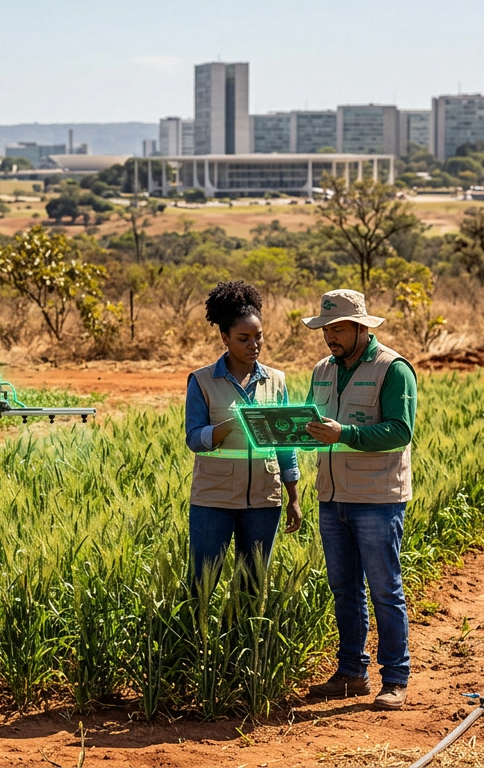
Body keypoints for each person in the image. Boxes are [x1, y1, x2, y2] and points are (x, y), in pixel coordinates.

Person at [301, 289, 417, 711]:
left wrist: (345, 434)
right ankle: (351, 672)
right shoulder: (323, 369)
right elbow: (316, 424)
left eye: (336, 329)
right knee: (344, 588)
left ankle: (395, 678)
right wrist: (291, 432)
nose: (329, 336)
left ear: (361, 327)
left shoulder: (393, 369)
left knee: (385, 589)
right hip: (331, 496)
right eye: (325, 329)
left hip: (376, 498)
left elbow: (400, 431)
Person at [184, 280, 303, 592]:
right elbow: (194, 438)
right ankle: (197, 640)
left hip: (265, 498)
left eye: (259, 336)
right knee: (202, 583)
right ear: (225, 338)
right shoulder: (202, 381)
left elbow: (285, 443)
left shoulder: (277, 381)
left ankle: (242, 639)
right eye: (243, 338)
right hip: (214, 497)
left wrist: (293, 497)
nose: (254, 344)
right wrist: (229, 427)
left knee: (252, 585)